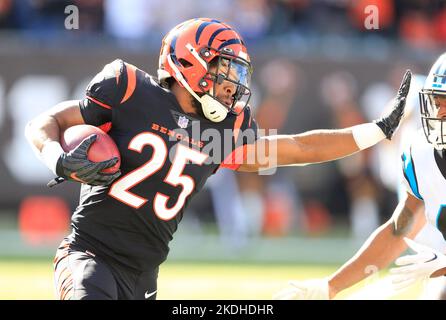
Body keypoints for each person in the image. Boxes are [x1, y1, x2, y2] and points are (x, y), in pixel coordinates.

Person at [25, 17, 410, 300]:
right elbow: (47, 122)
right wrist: (56, 158)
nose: (234, 83)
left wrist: (377, 130)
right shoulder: (128, 89)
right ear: (191, 62)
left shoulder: (225, 129)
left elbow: (300, 148)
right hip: (91, 255)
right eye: (225, 68)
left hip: (144, 276)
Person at [273, 52, 446, 300]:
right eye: (436, 102)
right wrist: (331, 286)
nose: (439, 113)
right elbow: (398, 232)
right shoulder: (422, 153)